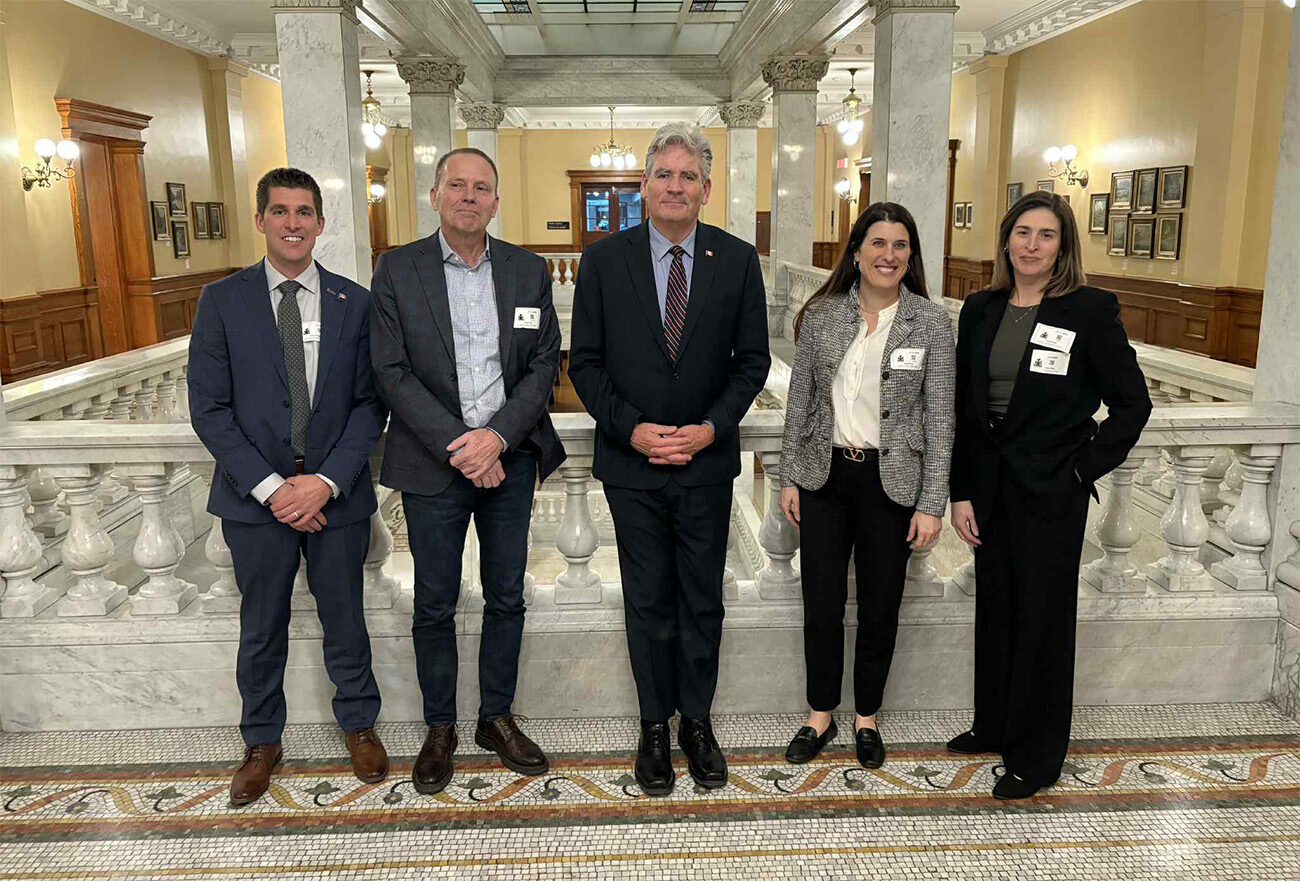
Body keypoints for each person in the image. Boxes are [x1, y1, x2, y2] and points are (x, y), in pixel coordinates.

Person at [568, 123, 770, 797]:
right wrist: (635, 430)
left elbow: (753, 365)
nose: (676, 186)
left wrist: (712, 429)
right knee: (649, 600)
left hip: (706, 467)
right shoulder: (602, 261)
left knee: (703, 600)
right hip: (633, 468)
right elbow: (587, 366)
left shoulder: (738, 261)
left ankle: (698, 724)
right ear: (645, 185)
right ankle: (654, 727)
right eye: (665, 175)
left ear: (706, 189)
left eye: (689, 176)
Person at [188, 167, 388, 807]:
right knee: (262, 622)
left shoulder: (354, 303)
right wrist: (276, 488)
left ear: (321, 224)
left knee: (345, 617)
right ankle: (260, 741)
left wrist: (324, 483)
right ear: (261, 220)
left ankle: (359, 724)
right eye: (281, 211)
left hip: (336, 495)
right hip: (257, 501)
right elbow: (210, 409)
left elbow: (369, 405)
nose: (294, 223)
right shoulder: (222, 301)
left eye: (305, 212)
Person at [369, 147, 565, 795]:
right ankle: (440, 727)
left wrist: (498, 438)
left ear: (496, 200)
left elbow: (543, 364)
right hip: (433, 465)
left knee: (508, 594)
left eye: (482, 187)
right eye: (458, 185)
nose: (470, 197)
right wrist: (463, 443)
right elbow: (391, 371)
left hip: (509, 460)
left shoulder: (527, 269)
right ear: (435, 195)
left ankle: (495, 716)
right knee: (434, 600)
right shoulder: (397, 270)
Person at [946, 190, 1152, 799]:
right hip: (988, 487)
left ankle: (1036, 757)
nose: (1032, 245)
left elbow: (1132, 404)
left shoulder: (1088, 310)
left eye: (1046, 235)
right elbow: (965, 409)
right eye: (1022, 233)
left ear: (1064, 246)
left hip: (1051, 490)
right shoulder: (980, 309)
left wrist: (1082, 469)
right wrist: (961, 492)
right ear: (1006, 239)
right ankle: (995, 724)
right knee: (998, 608)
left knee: (1043, 619)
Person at [777, 202, 955, 770]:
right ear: (856, 252)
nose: (888, 255)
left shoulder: (930, 321)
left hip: (891, 483)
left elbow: (940, 419)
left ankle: (868, 717)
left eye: (900, 245)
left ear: (911, 256)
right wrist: (787, 477)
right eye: (877, 243)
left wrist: (932, 503)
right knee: (821, 604)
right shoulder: (823, 315)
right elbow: (799, 402)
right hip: (825, 477)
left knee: (881, 606)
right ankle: (820, 714)